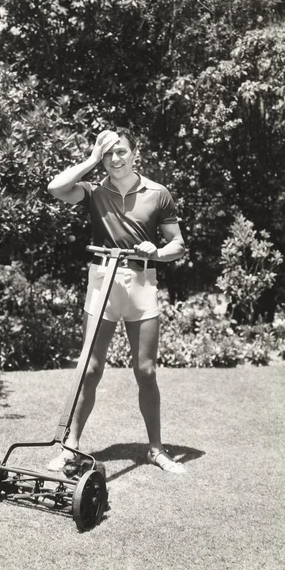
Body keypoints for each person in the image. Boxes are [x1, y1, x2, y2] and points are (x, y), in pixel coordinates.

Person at [46, 127, 187, 474]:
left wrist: (157, 250)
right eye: (109, 153)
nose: (115, 159)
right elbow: (55, 188)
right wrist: (91, 159)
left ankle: (155, 449)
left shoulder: (158, 193)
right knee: (89, 369)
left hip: (141, 281)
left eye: (121, 151)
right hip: (102, 279)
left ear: (135, 153)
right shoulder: (94, 192)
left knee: (146, 370)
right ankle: (71, 447)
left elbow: (178, 245)